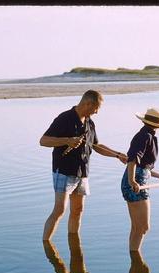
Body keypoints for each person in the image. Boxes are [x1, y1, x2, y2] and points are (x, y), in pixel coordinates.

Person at [40, 90, 128, 241]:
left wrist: (117, 155)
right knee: (60, 210)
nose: (97, 112)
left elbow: (96, 145)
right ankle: (46, 244)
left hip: (83, 172)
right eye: (96, 108)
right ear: (88, 103)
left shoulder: (89, 122)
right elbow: (43, 141)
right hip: (64, 171)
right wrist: (67, 140)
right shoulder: (64, 118)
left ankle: (74, 245)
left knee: (78, 210)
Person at [121, 108, 159, 252]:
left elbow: (144, 166)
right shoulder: (145, 136)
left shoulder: (147, 135)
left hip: (136, 180)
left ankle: (134, 259)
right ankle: (135, 256)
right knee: (143, 227)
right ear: (158, 124)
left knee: (137, 227)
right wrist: (132, 181)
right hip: (135, 183)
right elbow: (132, 160)